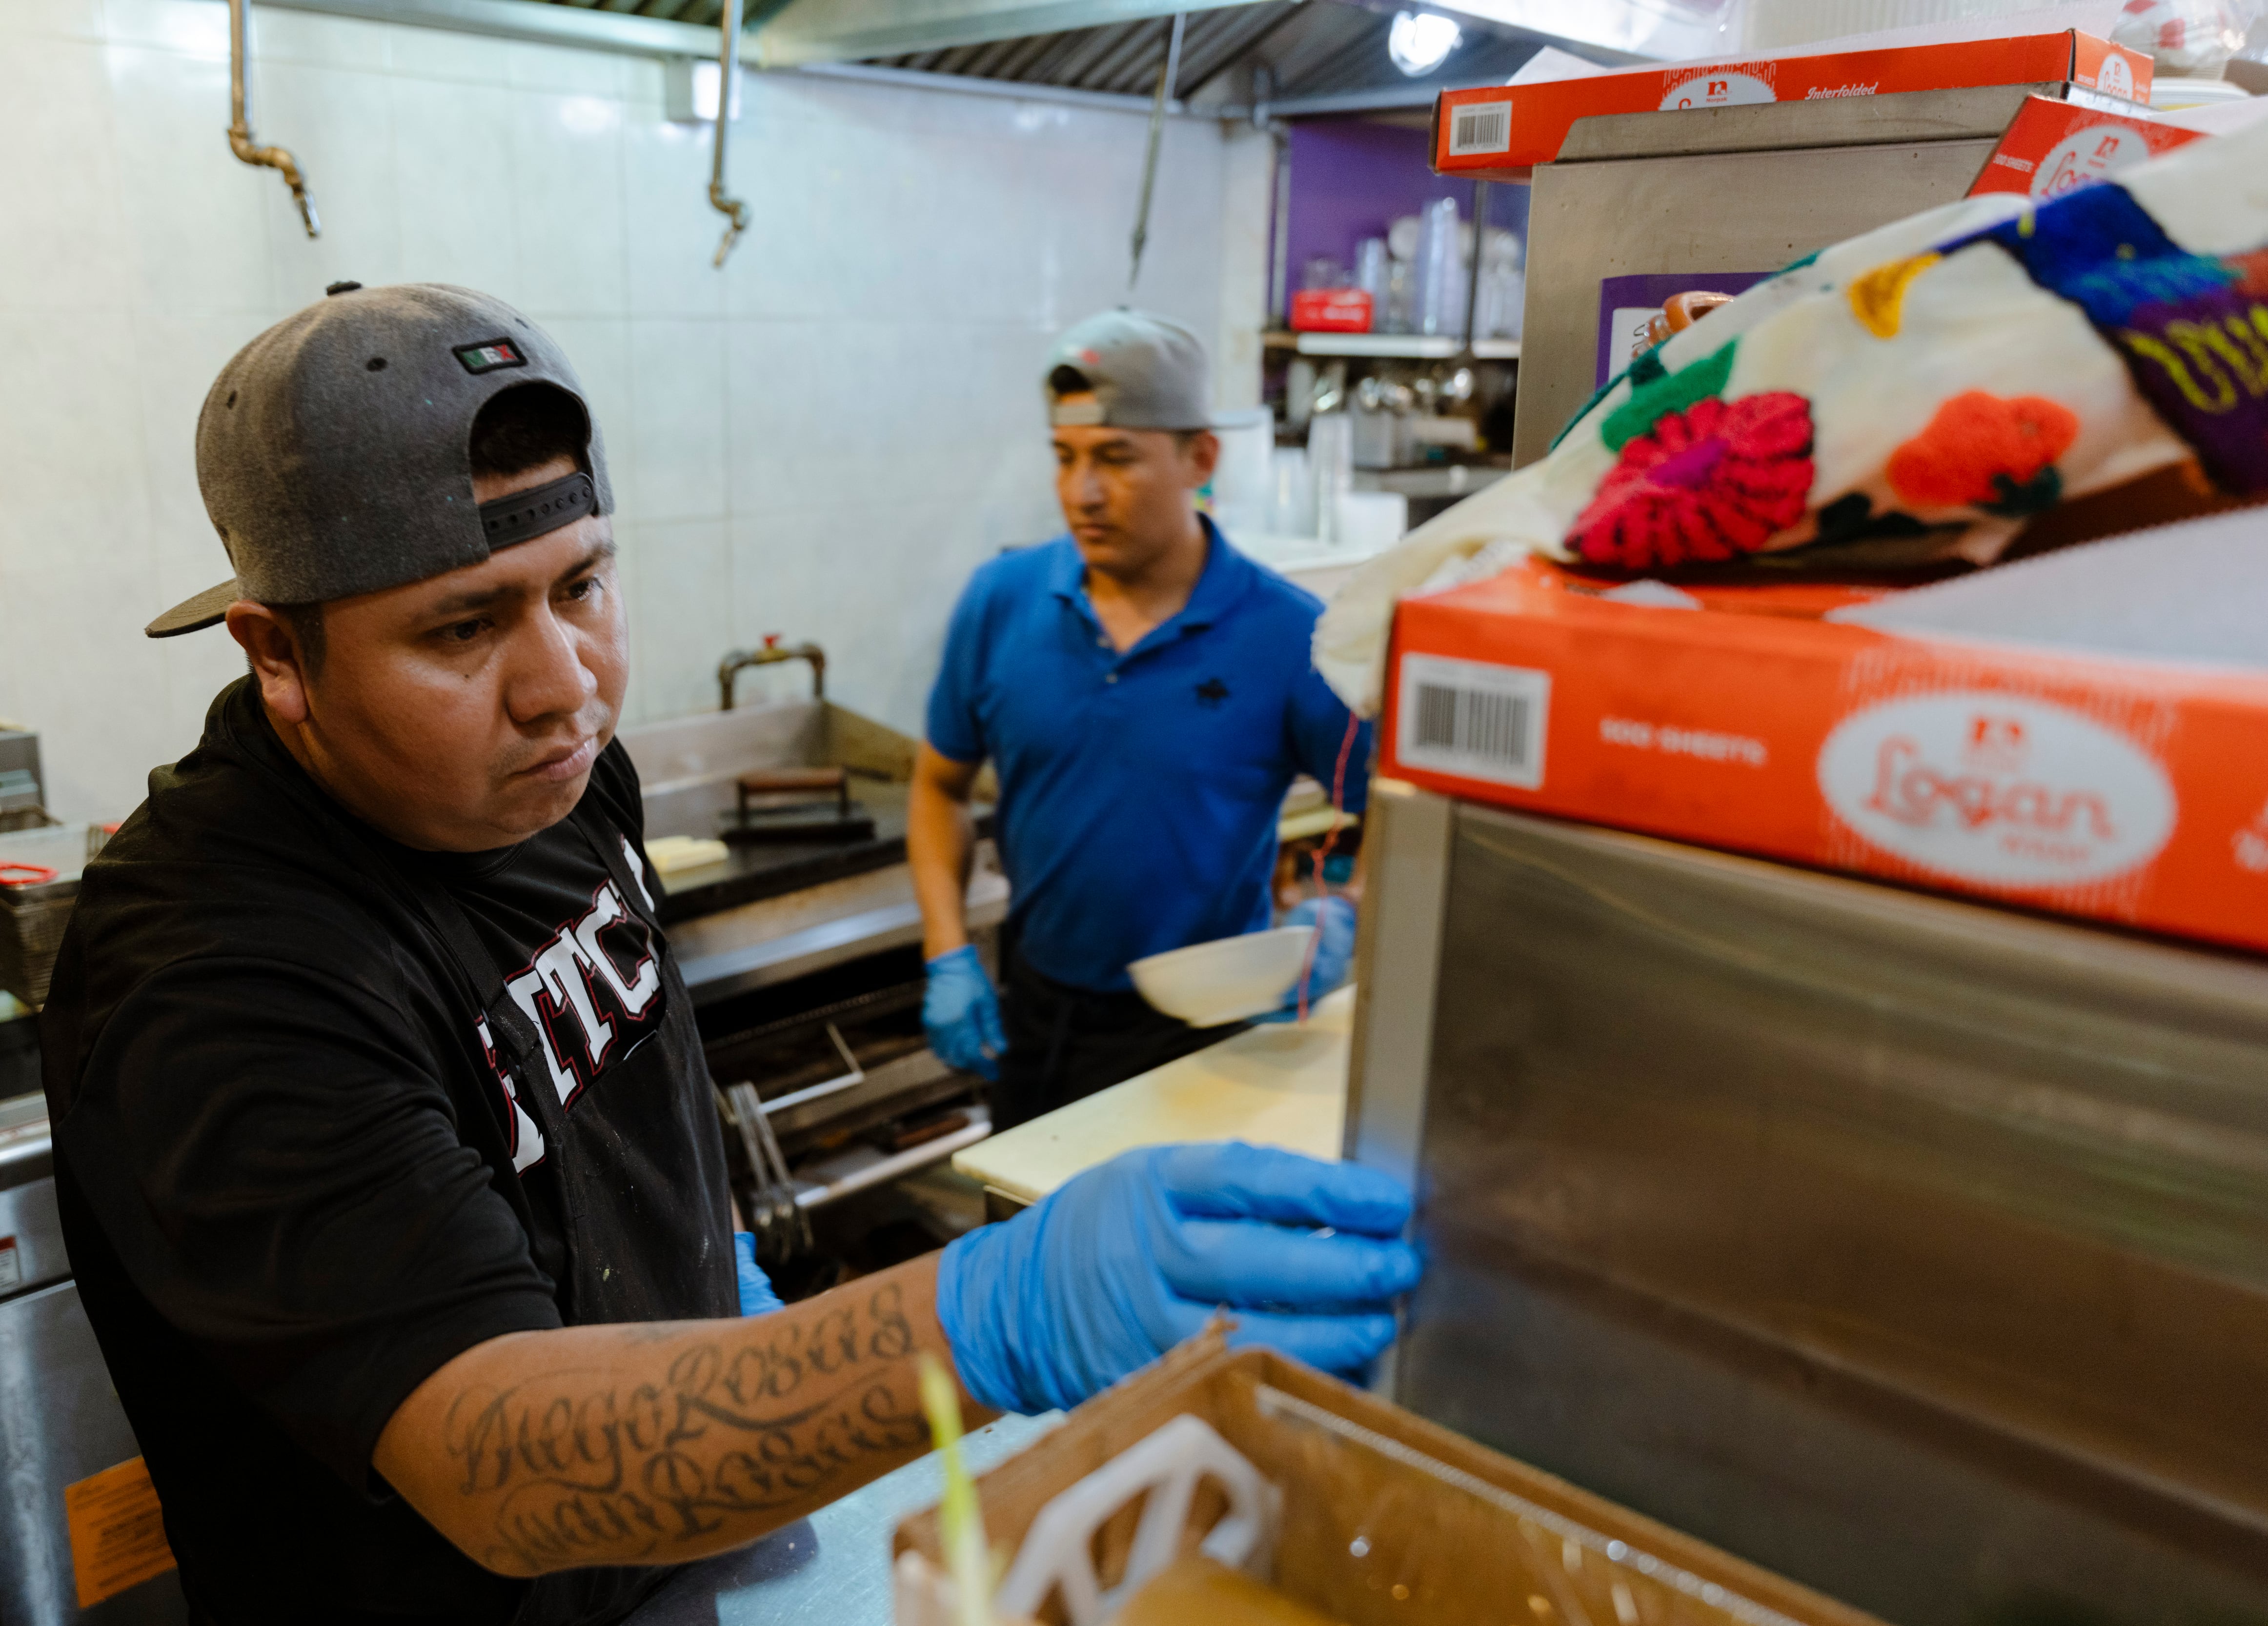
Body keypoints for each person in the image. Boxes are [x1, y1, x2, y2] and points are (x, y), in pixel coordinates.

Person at [40, 283, 1418, 1626]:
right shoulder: (215, 974)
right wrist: (994, 1315)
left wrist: (732, 1284)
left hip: (684, 1561)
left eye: (582, 583)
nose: (566, 685)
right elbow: (492, 1459)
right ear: (278, 654)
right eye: (464, 625)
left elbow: (633, 1083)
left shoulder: (563, 781)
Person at [911, 310, 1371, 1130]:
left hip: (1212, 1032)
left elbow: (1404, 815)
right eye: (1066, 458)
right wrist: (947, 949)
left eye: (1117, 459)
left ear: (1200, 458)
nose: (1082, 493)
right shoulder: (1002, 600)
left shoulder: (1290, 636)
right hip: (1037, 1014)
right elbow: (938, 785)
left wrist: (1344, 912)